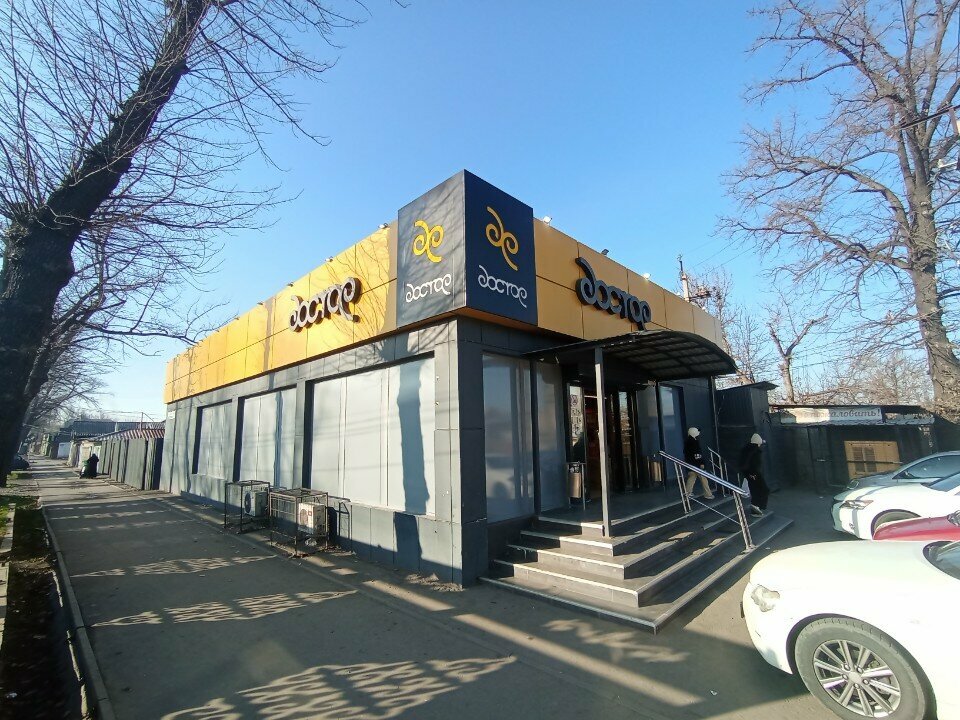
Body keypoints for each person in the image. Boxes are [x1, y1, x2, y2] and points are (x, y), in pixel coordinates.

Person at [739, 433, 769, 517]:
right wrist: (752, 473)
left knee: (756, 490)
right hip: (754, 473)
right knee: (762, 489)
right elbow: (751, 463)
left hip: (751, 473)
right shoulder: (754, 451)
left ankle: (756, 507)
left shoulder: (747, 449)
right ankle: (756, 507)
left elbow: (744, 463)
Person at [683, 427, 714, 500]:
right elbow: (697, 454)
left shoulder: (687, 441)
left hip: (690, 463)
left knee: (692, 477)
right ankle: (708, 494)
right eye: (697, 432)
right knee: (704, 479)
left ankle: (687, 493)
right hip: (696, 464)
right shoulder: (694, 442)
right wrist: (701, 463)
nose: (698, 433)